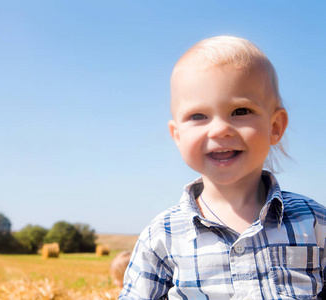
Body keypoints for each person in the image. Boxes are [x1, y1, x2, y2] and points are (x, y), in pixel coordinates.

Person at [119, 36, 326, 299]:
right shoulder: (161, 237)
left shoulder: (315, 222)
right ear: (178, 135)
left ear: (275, 127)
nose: (219, 129)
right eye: (198, 116)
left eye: (240, 111)